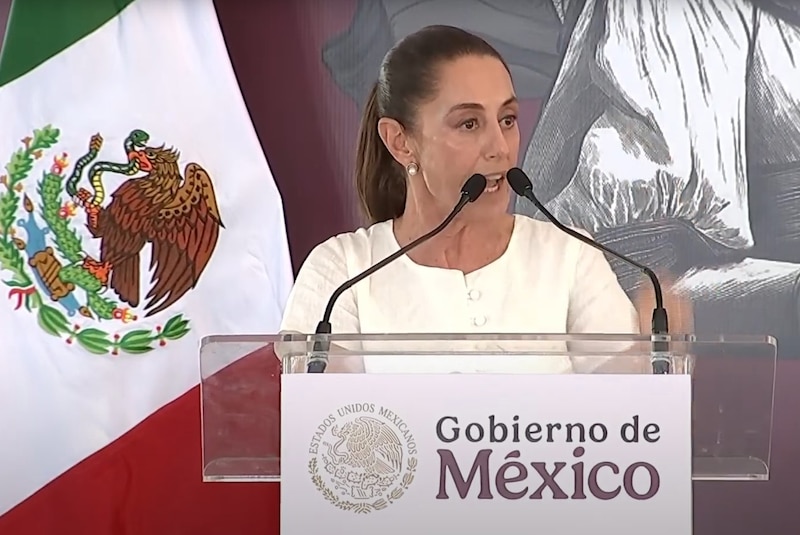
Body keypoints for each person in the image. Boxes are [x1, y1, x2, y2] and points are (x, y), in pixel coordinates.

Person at [279, 25, 661, 374]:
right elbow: (328, 435)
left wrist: (654, 367)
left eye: (507, 120)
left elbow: (623, 426)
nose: (500, 148)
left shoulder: (570, 255)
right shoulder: (341, 273)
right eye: (469, 124)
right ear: (400, 142)